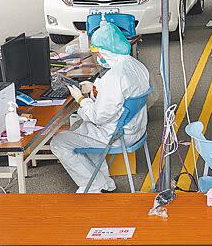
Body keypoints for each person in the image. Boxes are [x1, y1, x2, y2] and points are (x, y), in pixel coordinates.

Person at [51, 20, 150, 193]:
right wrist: (96, 88)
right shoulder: (136, 66)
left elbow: (98, 116)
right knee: (82, 128)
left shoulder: (115, 77)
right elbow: (119, 97)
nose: (97, 58)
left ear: (104, 51)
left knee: (59, 142)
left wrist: (81, 99)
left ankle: (95, 185)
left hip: (118, 136)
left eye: (96, 53)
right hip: (136, 130)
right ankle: (104, 183)